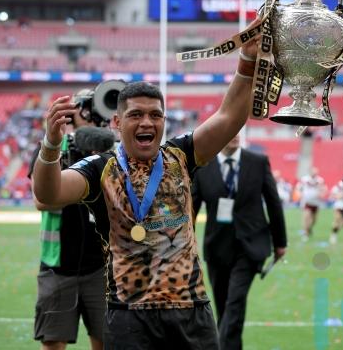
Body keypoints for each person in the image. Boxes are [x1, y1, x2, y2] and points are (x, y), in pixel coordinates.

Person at [30, 26, 258, 349]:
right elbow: (48, 193)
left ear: (164, 121)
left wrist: (247, 60)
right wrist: (52, 144)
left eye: (155, 115)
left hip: (191, 310)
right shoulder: (100, 169)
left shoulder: (182, 155)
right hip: (129, 316)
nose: (147, 122)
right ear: (117, 123)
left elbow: (230, 117)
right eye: (135, 114)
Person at [29, 88, 115, 350]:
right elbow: (41, 200)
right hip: (57, 265)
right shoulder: (51, 148)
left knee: (108, 341)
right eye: (85, 108)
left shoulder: (111, 152)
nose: (90, 114)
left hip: (103, 265)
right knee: (53, 342)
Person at [190, 134, 287, 350]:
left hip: (251, 245)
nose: (233, 135)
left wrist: (280, 242)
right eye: (228, 130)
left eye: (237, 131)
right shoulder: (203, 166)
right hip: (217, 248)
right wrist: (186, 245)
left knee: (235, 302)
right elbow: (191, 210)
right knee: (224, 308)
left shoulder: (258, 162)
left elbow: (273, 202)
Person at [295, 167, 327, 241]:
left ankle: (309, 229)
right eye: (313, 172)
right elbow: (298, 188)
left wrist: (322, 193)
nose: (314, 173)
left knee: (314, 220)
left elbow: (324, 189)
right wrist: (299, 194)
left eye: (316, 172)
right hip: (307, 202)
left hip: (316, 203)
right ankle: (305, 234)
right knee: (306, 218)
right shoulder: (304, 179)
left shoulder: (320, 180)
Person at [329, 180, 343, 245]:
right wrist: (338, 196)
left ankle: (336, 231)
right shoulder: (339, 184)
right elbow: (333, 194)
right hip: (339, 206)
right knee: (337, 220)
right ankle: (333, 235)